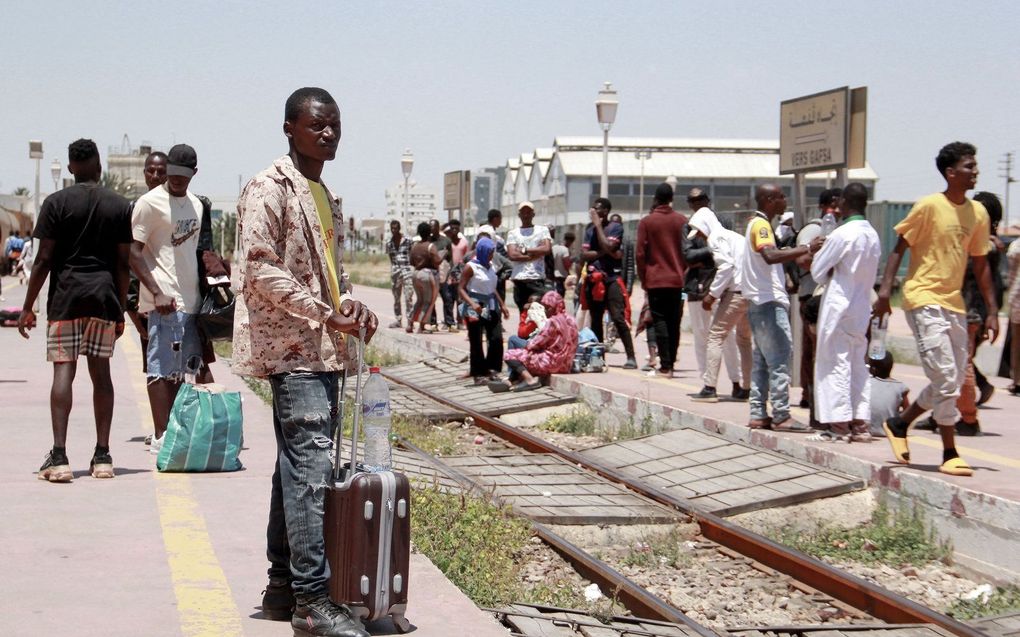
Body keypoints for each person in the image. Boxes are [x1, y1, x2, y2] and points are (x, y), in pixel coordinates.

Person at [233, 86, 376, 637]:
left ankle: (281, 589)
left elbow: (321, 276)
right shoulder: (270, 188)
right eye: (318, 125)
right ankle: (313, 601)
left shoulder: (320, 192)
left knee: (295, 469)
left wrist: (346, 306)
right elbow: (258, 270)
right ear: (289, 127)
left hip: (321, 348)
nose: (329, 133)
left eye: (336, 125)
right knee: (311, 470)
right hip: (293, 350)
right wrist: (323, 312)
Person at [873, 141, 998, 477]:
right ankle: (949, 451)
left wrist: (991, 309)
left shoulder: (978, 213)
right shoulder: (928, 206)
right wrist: (885, 291)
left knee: (953, 382)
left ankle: (900, 423)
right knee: (944, 378)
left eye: (975, 166)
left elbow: (981, 263)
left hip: (954, 303)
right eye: (970, 166)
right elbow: (900, 247)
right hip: (922, 298)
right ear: (950, 172)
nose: (976, 172)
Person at [18, 138, 132, 482]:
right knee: (102, 375)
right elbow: (124, 263)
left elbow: (44, 259)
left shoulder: (55, 203)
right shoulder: (118, 205)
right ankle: (103, 455)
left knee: (63, 374)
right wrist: (120, 309)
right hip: (103, 298)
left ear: (70, 168)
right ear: (99, 165)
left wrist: (27, 307)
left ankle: (60, 456)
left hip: (66, 298)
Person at [131, 144, 214, 455]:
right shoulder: (149, 204)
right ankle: (161, 435)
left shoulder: (196, 205)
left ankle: (177, 431)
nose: (176, 180)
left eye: (184, 175)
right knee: (161, 370)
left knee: (184, 371)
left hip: (191, 301)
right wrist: (155, 292)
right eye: (172, 174)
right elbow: (134, 254)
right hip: (163, 301)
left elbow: (194, 252)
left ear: (194, 174)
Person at [804, 183, 881, 443]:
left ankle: (838, 425)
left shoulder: (841, 234)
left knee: (834, 362)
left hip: (839, 304)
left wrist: (820, 255)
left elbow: (818, 271)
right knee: (858, 364)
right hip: (861, 306)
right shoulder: (873, 235)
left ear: (845, 203)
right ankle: (860, 423)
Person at [742, 184, 821, 432]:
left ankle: (758, 413)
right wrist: (807, 248)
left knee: (763, 361)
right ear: (768, 199)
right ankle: (781, 415)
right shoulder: (762, 225)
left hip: (759, 302)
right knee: (779, 361)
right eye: (780, 196)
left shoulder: (758, 224)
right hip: (768, 302)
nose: (784, 200)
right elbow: (770, 256)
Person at [686, 207, 752, 402]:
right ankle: (745, 388)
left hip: (735, 293)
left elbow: (726, 267)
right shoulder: (735, 237)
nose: (699, 236)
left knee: (715, 337)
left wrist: (711, 295)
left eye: (699, 231)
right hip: (749, 292)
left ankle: (709, 387)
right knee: (744, 341)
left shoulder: (716, 238)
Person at [795, 188, 840, 412]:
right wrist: (824, 262)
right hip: (812, 296)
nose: (837, 208)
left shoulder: (844, 229)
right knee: (811, 348)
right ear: (823, 206)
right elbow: (801, 258)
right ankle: (809, 394)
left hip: (835, 297)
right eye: (833, 203)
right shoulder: (814, 229)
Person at [636, 183, 688, 377]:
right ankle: (671, 362)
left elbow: (640, 254)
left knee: (660, 321)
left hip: (655, 280)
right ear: (671, 199)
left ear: (656, 198)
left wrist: (643, 278)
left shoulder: (647, 222)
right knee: (675, 321)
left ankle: (665, 364)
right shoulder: (682, 220)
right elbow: (686, 251)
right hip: (678, 281)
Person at [126, 151, 168, 386]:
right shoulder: (136, 209)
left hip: (179, 303)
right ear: (144, 174)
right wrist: (133, 309)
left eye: (161, 172)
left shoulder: (183, 207)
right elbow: (130, 260)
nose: (155, 176)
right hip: (148, 304)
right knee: (156, 371)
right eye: (150, 171)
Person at [582, 197, 637, 369]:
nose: (593, 212)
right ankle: (598, 359)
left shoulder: (616, 227)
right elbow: (585, 255)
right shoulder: (588, 230)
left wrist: (599, 227)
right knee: (596, 320)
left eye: (597, 209)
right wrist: (604, 251)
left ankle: (631, 357)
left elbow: (611, 247)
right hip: (594, 279)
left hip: (611, 279)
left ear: (605, 211)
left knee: (618, 317)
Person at [500, 290, 578, 391]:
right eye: (544, 308)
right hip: (566, 365)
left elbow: (535, 343)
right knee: (525, 353)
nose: (546, 311)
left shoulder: (553, 322)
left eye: (548, 308)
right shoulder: (572, 320)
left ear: (555, 306)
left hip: (552, 363)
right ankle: (514, 378)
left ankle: (528, 380)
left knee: (510, 355)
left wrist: (530, 347)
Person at [458, 237, 509, 383]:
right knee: (476, 340)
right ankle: (478, 373)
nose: (491, 255)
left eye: (492, 252)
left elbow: (492, 288)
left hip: (491, 304)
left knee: (496, 338)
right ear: (482, 251)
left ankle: (492, 369)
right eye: (490, 252)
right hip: (475, 304)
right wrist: (472, 304)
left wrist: (502, 305)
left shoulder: (491, 266)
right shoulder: (471, 267)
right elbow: (461, 288)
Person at [506, 201, 552, 312]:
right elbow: (512, 254)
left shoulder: (542, 230)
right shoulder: (513, 233)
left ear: (533, 214)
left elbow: (546, 249)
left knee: (537, 314)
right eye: (523, 212)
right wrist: (533, 256)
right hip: (520, 280)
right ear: (519, 215)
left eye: (528, 212)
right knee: (523, 314)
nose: (526, 215)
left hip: (536, 279)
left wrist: (524, 250)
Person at [409, 221, 441, 334]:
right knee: (428, 301)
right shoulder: (431, 246)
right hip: (428, 275)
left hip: (416, 274)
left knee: (419, 300)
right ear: (429, 233)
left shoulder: (415, 247)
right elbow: (437, 261)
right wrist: (444, 255)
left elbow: (411, 262)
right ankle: (421, 326)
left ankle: (410, 324)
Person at [867, 352, 910, 438]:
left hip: (867, 430)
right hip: (889, 432)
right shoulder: (900, 387)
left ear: (873, 369)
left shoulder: (867, 382)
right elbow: (908, 410)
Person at [385, 219, 413, 329]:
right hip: (396, 273)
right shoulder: (389, 243)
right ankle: (398, 320)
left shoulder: (408, 241)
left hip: (407, 271)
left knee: (408, 297)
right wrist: (394, 270)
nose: (393, 230)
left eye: (395, 228)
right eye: (392, 228)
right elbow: (391, 258)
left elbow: (412, 254)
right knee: (396, 298)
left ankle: (410, 321)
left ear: (399, 228)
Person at [552, 230, 574, 298]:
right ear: (571, 241)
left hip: (552, 277)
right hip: (561, 277)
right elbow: (567, 264)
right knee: (559, 298)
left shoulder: (554, 247)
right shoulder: (565, 250)